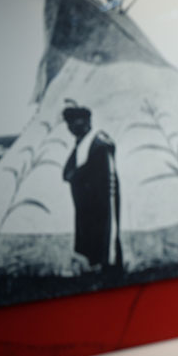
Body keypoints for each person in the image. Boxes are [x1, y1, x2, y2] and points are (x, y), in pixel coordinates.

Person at [62, 102, 123, 275]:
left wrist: (79, 175)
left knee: (104, 229)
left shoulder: (99, 142)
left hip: (101, 199)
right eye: (70, 122)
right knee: (86, 230)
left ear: (88, 121)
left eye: (77, 120)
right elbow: (67, 172)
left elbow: (102, 172)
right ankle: (90, 262)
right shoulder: (81, 144)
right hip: (86, 202)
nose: (73, 126)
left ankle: (107, 263)